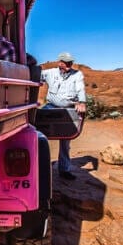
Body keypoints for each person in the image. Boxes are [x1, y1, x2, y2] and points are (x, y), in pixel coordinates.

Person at [40, 52, 87, 181]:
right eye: (66, 62)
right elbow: (33, 77)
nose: (69, 64)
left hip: (68, 109)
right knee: (38, 133)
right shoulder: (50, 73)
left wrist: (82, 102)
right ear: (59, 62)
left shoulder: (77, 75)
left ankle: (64, 169)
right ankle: (38, 167)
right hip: (51, 107)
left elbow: (80, 89)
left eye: (70, 62)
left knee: (66, 139)